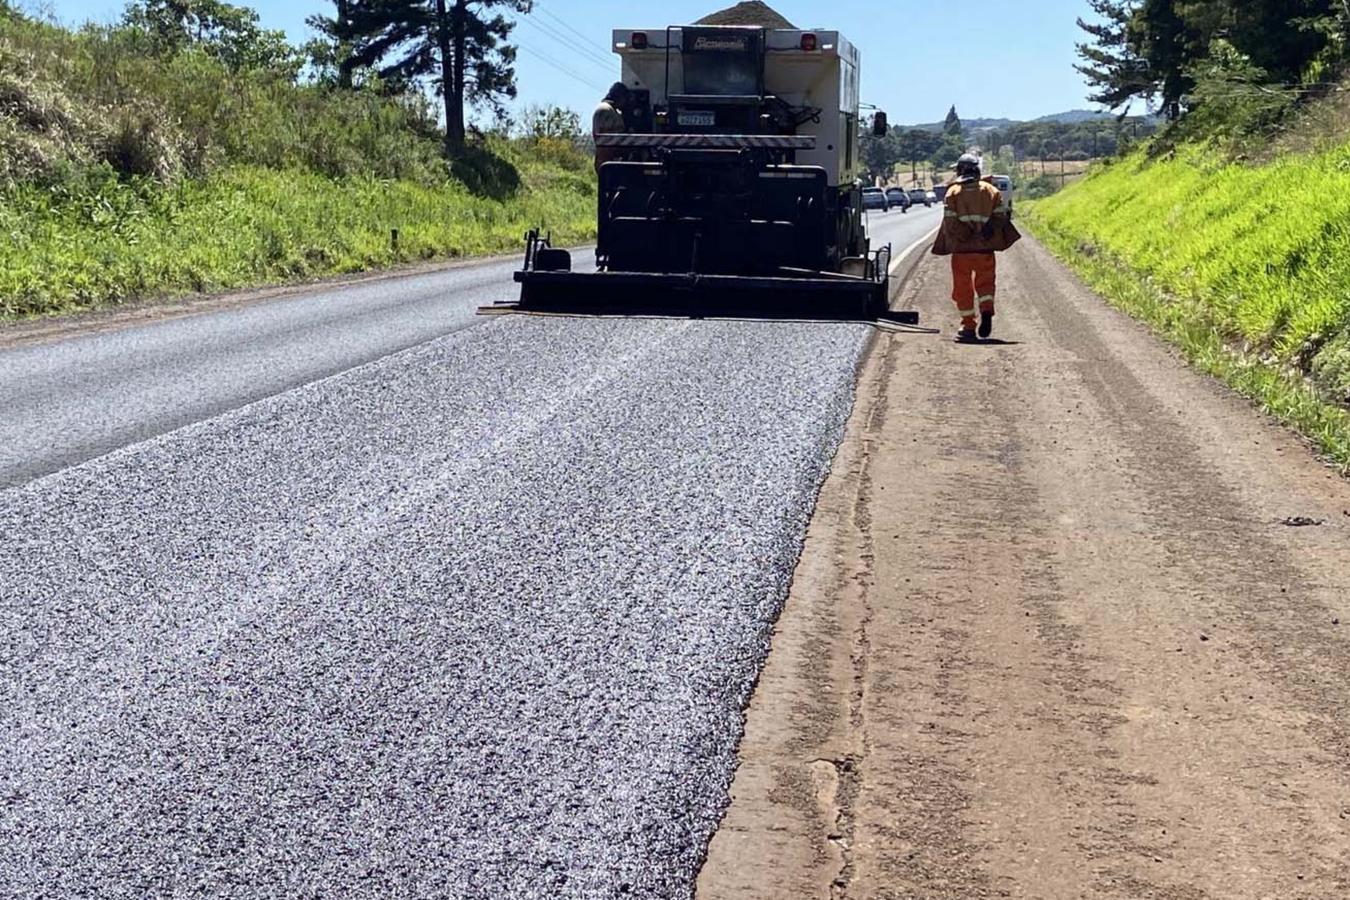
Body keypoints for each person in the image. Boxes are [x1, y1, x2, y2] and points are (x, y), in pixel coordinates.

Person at [932, 152, 1019, 342]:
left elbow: (950, 222)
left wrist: (966, 236)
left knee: (962, 287)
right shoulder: (991, 191)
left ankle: (968, 326)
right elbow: (1000, 218)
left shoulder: (953, 192)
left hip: (962, 251)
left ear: (960, 171)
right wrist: (984, 233)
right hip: (985, 250)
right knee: (986, 284)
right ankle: (986, 311)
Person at [592, 82, 631, 175]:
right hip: (609, 159)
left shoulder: (603, 109)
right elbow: (609, 138)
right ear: (620, 97)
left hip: (603, 160)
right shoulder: (607, 110)